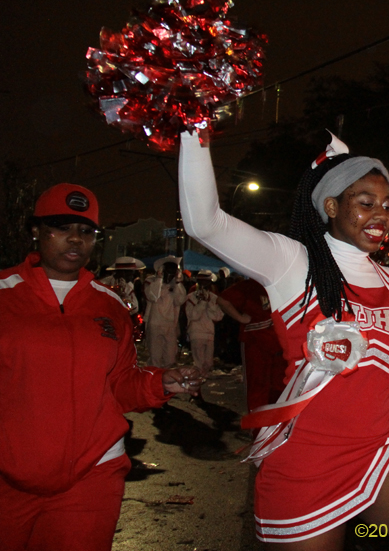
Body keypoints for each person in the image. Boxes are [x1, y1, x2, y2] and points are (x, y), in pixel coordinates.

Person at [180, 131, 389, 550]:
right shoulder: (293, 261)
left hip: (377, 452)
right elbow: (205, 223)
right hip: (307, 464)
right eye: (365, 202)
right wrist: (195, 127)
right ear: (331, 206)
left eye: (387, 205)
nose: (382, 215)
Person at [0, 183, 202, 551]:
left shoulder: (110, 306)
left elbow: (119, 382)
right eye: (61, 227)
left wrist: (161, 384)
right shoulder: (4, 294)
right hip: (8, 481)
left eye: (85, 231)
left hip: (92, 474)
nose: (74, 239)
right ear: (36, 230)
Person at [218, 277, 289, 413]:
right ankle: (257, 425)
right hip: (256, 342)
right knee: (257, 384)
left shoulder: (279, 283)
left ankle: (274, 423)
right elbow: (222, 300)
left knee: (279, 384)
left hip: (279, 343)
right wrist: (240, 318)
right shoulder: (250, 285)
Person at [185, 269, 250, 377]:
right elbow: (192, 316)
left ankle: (202, 377)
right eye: (202, 281)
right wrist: (201, 304)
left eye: (206, 281)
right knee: (199, 361)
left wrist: (208, 304)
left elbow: (218, 316)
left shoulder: (214, 297)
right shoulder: (191, 296)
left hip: (210, 332)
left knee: (209, 362)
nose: (204, 283)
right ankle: (198, 382)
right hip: (196, 332)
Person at [144, 255, 187, 368]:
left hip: (170, 325)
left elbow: (180, 300)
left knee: (170, 357)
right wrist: (159, 279)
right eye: (168, 271)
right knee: (155, 357)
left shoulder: (177, 285)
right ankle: (155, 382)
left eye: (173, 272)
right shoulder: (151, 281)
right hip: (155, 323)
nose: (170, 275)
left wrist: (177, 282)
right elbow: (153, 296)